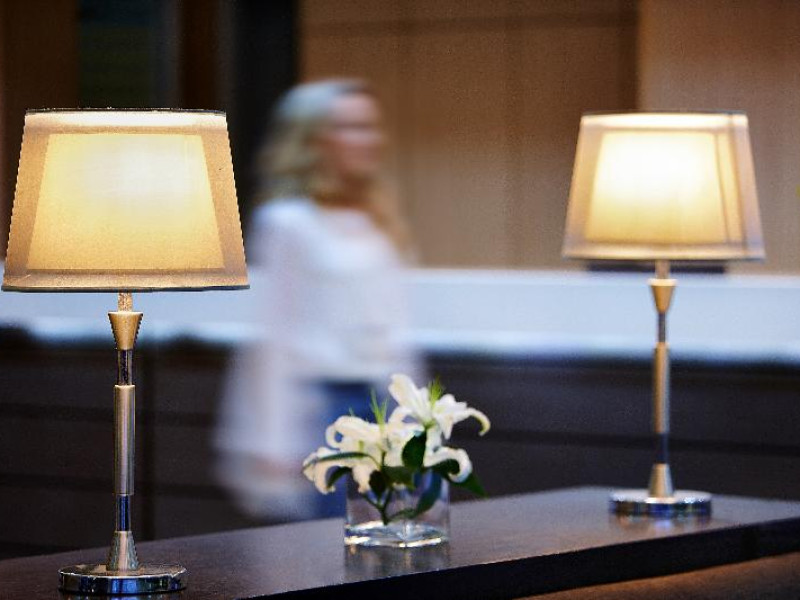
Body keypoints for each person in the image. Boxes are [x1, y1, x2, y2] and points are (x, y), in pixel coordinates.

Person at [215, 79, 419, 521]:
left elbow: (397, 333)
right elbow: (274, 338)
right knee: (328, 547)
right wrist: (272, 439)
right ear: (315, 139)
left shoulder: (377, 221)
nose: (368, 139)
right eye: (351, 127)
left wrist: (414, 424)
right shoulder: (288, 223)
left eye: (371, 126)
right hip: (322, 413)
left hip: (380, 408)